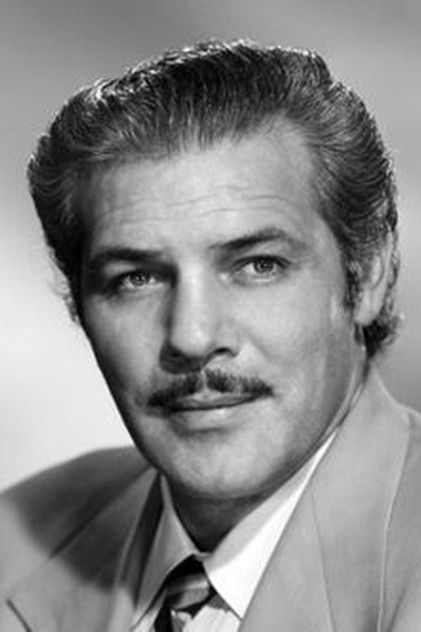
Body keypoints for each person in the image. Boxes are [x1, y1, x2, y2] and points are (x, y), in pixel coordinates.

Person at [1, 39, 420, 631]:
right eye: (137, 278)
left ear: (370, 272)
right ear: (79, 303)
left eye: (258, 265)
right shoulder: (17, 536)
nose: (192, 337)